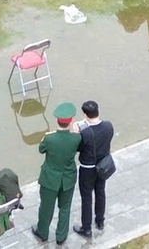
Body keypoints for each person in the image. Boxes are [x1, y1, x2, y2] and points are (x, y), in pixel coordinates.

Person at [31, 102, 82, 245]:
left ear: (57, 121)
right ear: (71, 121)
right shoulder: (76, 138)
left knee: (46, 207)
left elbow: (41, 149)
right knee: (65, 208)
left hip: (50, 179)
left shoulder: (49, 138)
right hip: (68, 179)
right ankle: (61, 236)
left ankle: (42, 232)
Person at [72, 100, 114, 237]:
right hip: (103, 166)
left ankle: (86, 228)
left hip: (87, 168)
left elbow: (78, 148)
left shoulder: (85, 132)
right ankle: (100, 221)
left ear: (85, 115)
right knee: (100, 192)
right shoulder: (108, 126)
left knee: (86, 197)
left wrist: (76, 133)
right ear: (98, 112)